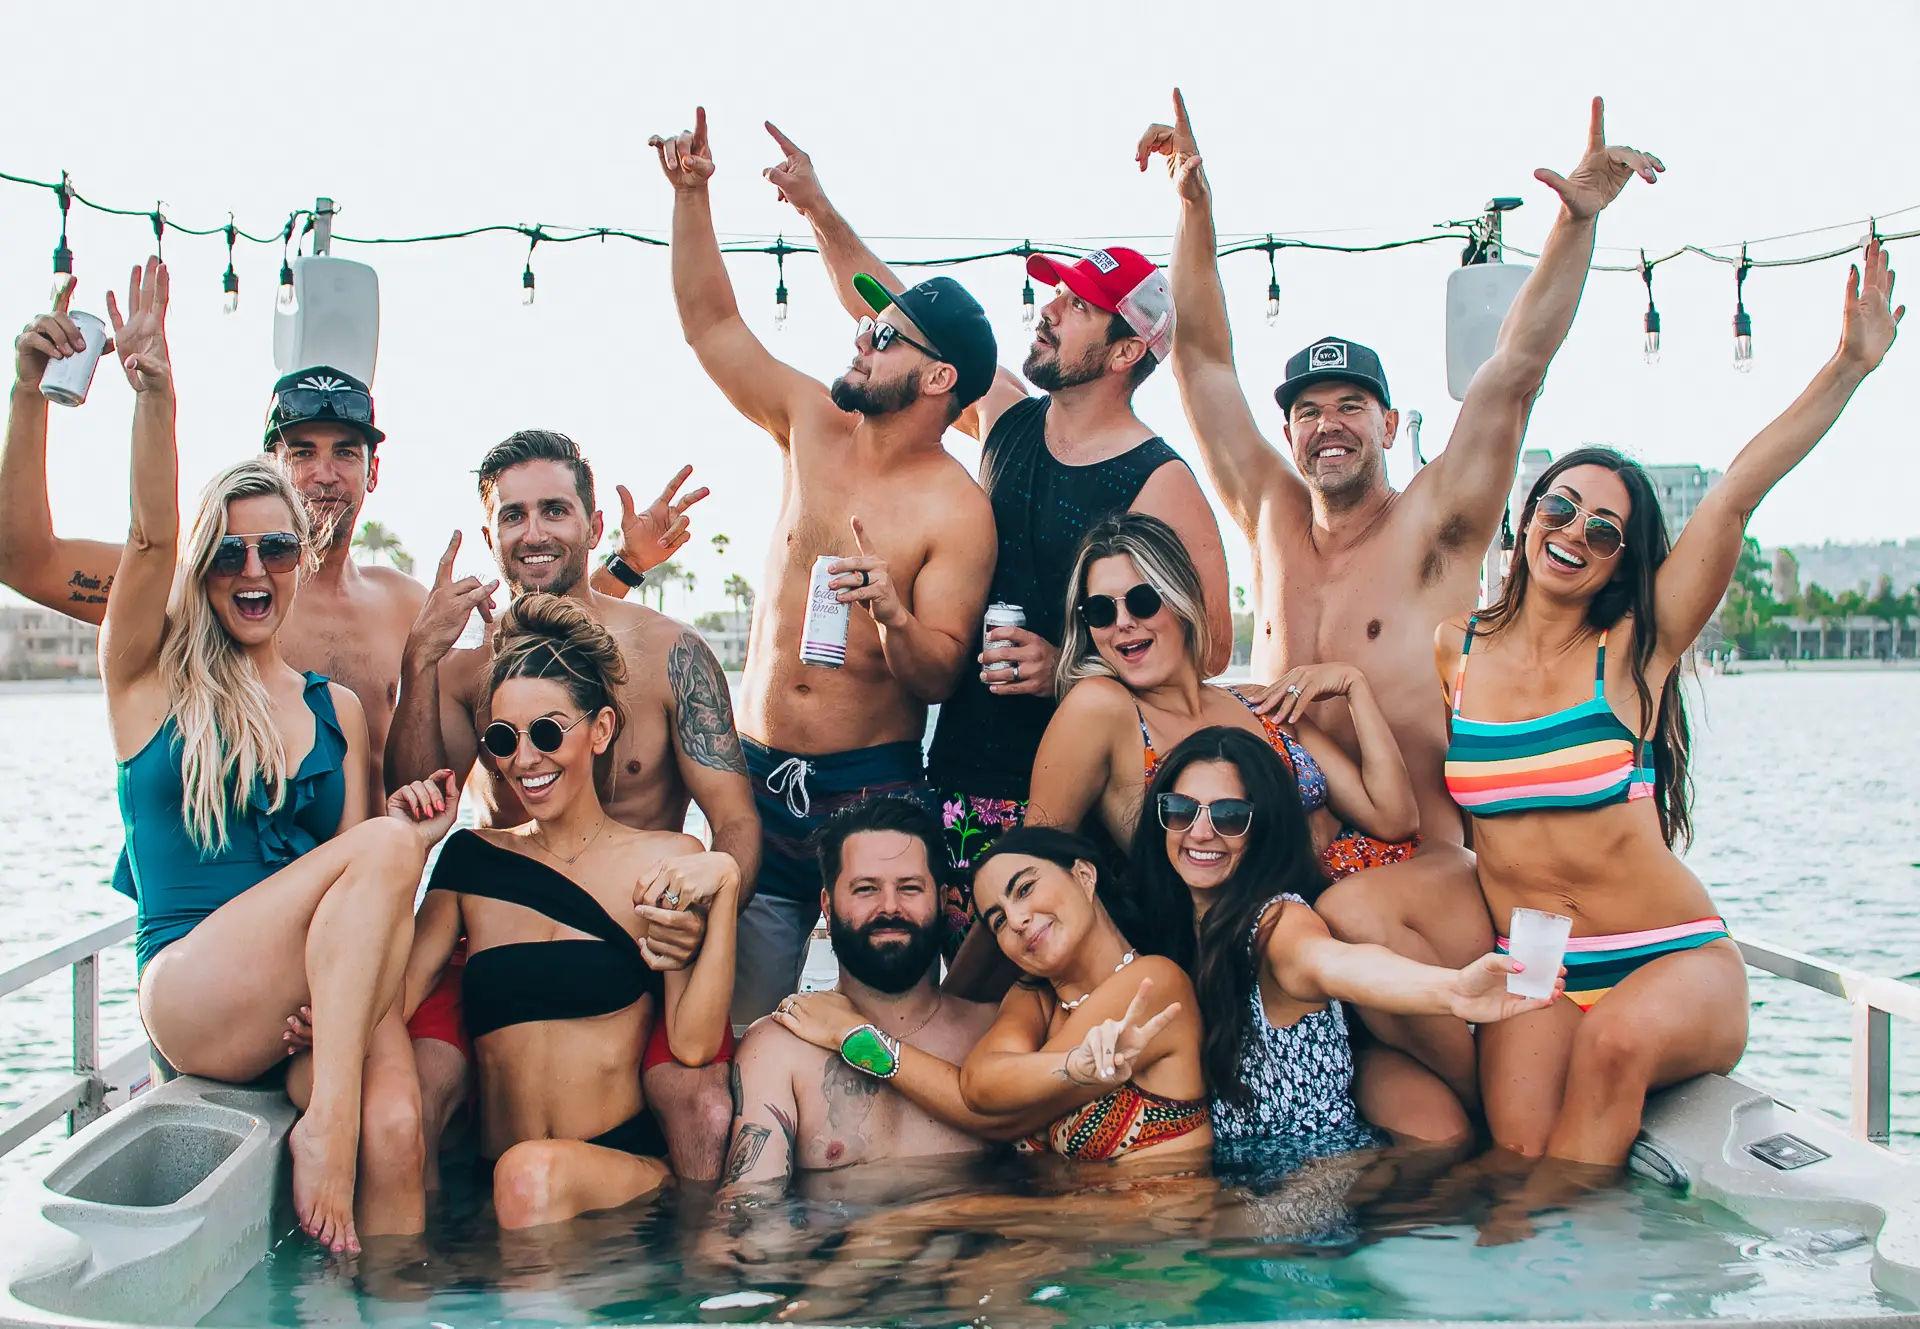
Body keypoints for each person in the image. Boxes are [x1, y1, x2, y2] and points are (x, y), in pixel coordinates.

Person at [1141, 91, 1664, 1106]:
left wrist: (1577, 221)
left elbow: (1514, 371)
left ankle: (1498, 1085)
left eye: (1350, 409)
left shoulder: (1435, 529)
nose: (1326, 425)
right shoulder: (1269, 515)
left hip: (1421, 866)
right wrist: (1195, 207)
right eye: (1307, 412)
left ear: (1388, 423)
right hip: (1293, 862)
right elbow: (1202, 361)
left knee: (1347, 921)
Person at [1439, 239, 1902, 1170]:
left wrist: (1848, 366)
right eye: (1561, 508)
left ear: (1623, 560)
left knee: (1611, 1055)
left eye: (1604, 531)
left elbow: (1734, 494)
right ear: (1528, 515)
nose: (1575, 533)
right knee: (1517, 1161)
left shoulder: (1634, 653)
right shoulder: (1457, 649)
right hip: (1538, 967)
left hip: (1673, 958)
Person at [756, 123, 1233, 910]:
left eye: (1078, 307)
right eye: (1058, 293)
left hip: (1075, 800)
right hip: (956, 777)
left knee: (1043, 999)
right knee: (957, 1000)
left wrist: (1076, 664)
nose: (1050, 310)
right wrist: (816, 207)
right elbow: (901, 314)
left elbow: (1209, 647)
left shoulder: (1161, 479)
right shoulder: (1009, 417)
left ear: (1123, 354)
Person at [97, 259, 459, 1254]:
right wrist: (155, 396)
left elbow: (359, 902)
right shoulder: (149, 682)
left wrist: (324, 1004)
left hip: (305, 1006)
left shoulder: (335, 706)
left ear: (301, 559)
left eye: (275, 550)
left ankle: (381, 1300)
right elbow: (142, 532)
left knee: (401, 1129)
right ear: (203, 561)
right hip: (197, 992)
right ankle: (325, 1127)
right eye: (229, 551)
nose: (253, 571)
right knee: (391, 843)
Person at [648, 107, 998, 1021]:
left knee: (888, 1017)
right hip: (755, 776)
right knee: (742, 1014)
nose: (862, 337)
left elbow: (941, 668)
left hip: (872, 782)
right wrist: (693, 197)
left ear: (936, 380)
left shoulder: (958, 508)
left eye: (886, 336)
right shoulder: (810, 421)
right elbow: (711, 325)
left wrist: (892, 613)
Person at [387, 429, 758, 1181]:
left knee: (703, 1106)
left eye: (554, 509)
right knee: (408, 1089)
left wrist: (699, 917)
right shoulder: (467, 672)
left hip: (650, 930)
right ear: (491, 535)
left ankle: (700, 1274)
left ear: (591, 525)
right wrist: (418, 662)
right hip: (497, 933)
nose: (534, 532)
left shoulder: (671, 654)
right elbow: (419, 800)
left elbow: (737, 822)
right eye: (514, 516)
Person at [404, 593, 739, 1227]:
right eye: (503, 739)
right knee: (522, 1178)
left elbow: (693, 1044)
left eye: (549, 732)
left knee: (529, 1176)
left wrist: (723, 880)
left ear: (602, 730)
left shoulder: (666, 857)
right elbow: (393, 1005)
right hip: (504, 1187)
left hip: (616, 1173)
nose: (525, 759)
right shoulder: (470, 862)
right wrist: (411, 844)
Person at [1129, 727, 1557, 1152]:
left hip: (1311, 1196)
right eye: (1182, 810)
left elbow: (1334, 962)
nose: (1201, 833)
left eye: (1229, 816)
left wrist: (1451, 990)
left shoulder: (1276, 924)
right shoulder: (1166, 928)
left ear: (1264, 830)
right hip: (1242, 1190)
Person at [1031, 513, 1416, 872]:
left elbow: (1393, 818)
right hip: (1297, 928)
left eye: (1142, 601)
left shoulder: (1254, 701)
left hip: (1388, 884)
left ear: (1181, 599)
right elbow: (1032, 855)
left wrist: (1353, 684)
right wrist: (1316, 827)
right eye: (1100, 611)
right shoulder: (1101, 707)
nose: (1123, 622)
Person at [720, 798, 1032, 1191]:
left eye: (910, 888)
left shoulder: (996, 1032)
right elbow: (749, 1218)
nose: (889, 907)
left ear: (944, 899)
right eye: (866, 889)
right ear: (828, 907)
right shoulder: (779, 1048)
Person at [961, 827, 1211, 1162]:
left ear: (1083, 875)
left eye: (1024, 888)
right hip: (1058, 1210)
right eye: (999, 921)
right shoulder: (1034, 998)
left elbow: (996, 1117)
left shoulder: (1154, 983)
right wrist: (1071, 1067)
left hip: (1157, 1208)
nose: (1017, 920)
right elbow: (980, 1084)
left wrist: (873, 1047)